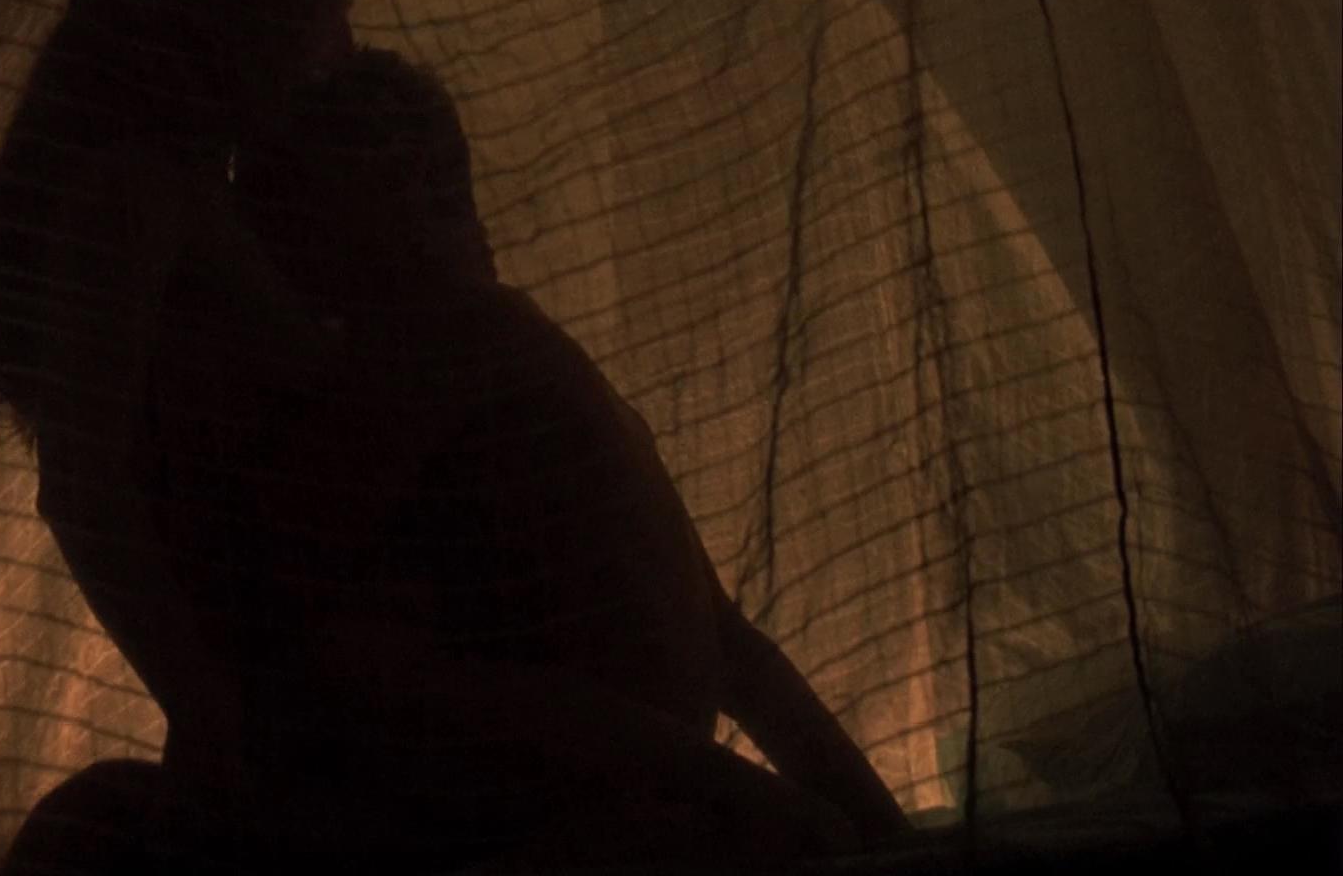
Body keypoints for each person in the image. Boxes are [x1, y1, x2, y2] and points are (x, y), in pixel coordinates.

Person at [230, 48, 915, 871]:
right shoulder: (468, 359)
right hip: (611, 813)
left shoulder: (469, 348)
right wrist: (818, 811)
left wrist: (855, 825)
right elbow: (727, 653)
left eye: (444, 187)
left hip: (628, 814)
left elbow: (724, 642)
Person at [0, 0, 360, 874]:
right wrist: (208, 714)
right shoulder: (133, 198)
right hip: (254, 707)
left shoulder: (201, 192)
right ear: (249, 19)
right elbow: (83, 486)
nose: (343, 50)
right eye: (328, 17)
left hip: (281, 694)